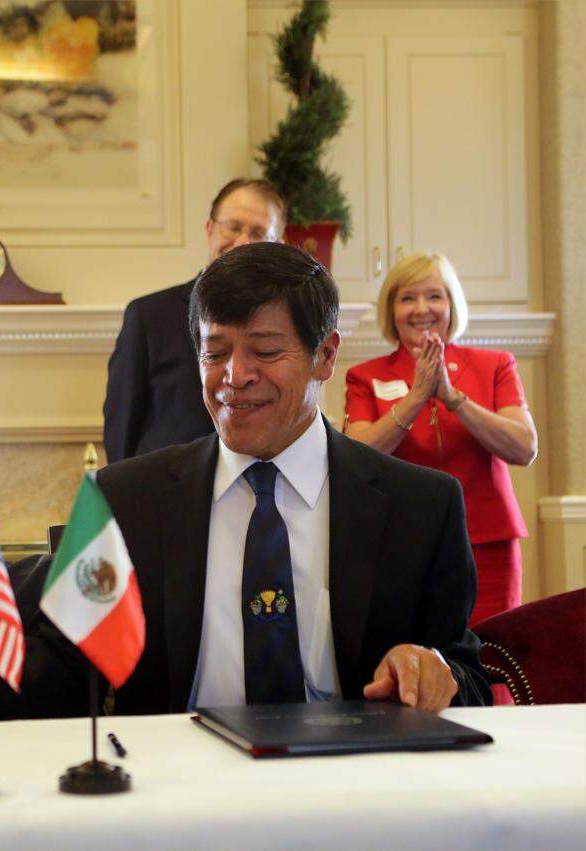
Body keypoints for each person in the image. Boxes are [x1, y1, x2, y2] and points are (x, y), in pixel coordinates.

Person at [79, 242, 488, 715]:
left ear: (326, 356)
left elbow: (468, 676)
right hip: (179, 775)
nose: (235, 375)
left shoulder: (420, 506)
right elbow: (71, 669)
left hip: (354, 774)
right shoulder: (129, 501)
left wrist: (430, 670)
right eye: (215, 353)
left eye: (266, 351)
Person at [343, 252, 537, 624]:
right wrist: (416, 397)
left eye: (434, 296)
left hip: (488, 545)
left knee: (491, 659)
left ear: (452, 305)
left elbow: (524, 447)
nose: (422, 309)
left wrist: (452, 398)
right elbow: (356, 458)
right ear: (391, 310)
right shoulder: (363, 376)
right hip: (399, 545)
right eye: (407, 298)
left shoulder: (496, 365)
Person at [102, 178, 286, 463]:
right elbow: (121, 429)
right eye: (233, 227)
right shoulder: (149, 317)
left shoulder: (287, 326)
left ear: (279, 246)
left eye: (259, 233)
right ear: (210, 229)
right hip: (164, 493)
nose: (242, 242)